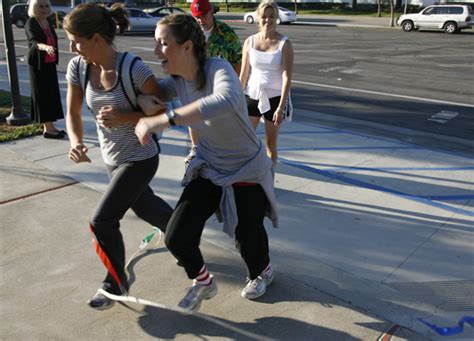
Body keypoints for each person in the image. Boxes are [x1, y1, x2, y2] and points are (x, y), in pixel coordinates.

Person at [134, 14, 278, 312]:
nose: (156, 51)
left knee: (247, 234)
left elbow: (224, 100)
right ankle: (203, 281)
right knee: (177, 236)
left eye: (163, 43)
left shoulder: (217, 69)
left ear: (186, 47)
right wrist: (143, 99)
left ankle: (262, 270)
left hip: (246, 165)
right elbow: (152, 92)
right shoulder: (176, 81)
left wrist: (165, 118)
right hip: (210, 164)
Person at [63, 3, 173, 310]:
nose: (71, 47)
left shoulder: (133, 69)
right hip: (112, 158)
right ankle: (183, 232)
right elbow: (72, 111)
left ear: (96, 38)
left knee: (102, 220)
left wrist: (125, 116)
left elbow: (163, 112)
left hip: (140, 157)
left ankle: (116, 281)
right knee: (148, 209)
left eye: (76, 40)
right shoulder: (79, 67)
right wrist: (76, 141)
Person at [185, 0, 242, 164]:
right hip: (196, 82)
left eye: (203, 16)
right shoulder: (190, 33)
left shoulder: (226, 33)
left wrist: (235, 84)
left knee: (220, 120)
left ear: (212, 12)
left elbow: (238, 59)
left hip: (219, 86)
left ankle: (223, 150)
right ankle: (196, 147)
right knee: (193, 116)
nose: (200, 21)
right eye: (196, 17)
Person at [239, 0, 294, 166]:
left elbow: (287, 77)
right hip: (252, 95)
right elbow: (243, 74)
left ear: (276, 18)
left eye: (271, 16)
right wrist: (237, 99)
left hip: (275, 99)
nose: (267, 20)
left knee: (270, 145)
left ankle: (268, 181)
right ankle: (246, 176)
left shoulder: (284, 44)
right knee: (244, 141)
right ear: (258, 18)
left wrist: (281, 107)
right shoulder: (249, 42)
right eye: (264, 16)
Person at [25, 0, 65, 139]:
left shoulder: (48, 22)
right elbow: (34, 41)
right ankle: (48, 129)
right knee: (43, 95)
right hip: (38, 64)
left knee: (51, 94)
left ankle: (51, 126)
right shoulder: (31, 22)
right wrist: (46, 48)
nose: (44, 8)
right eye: (40, 6)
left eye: (46, 6)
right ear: (34, 8)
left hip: (50, 63)